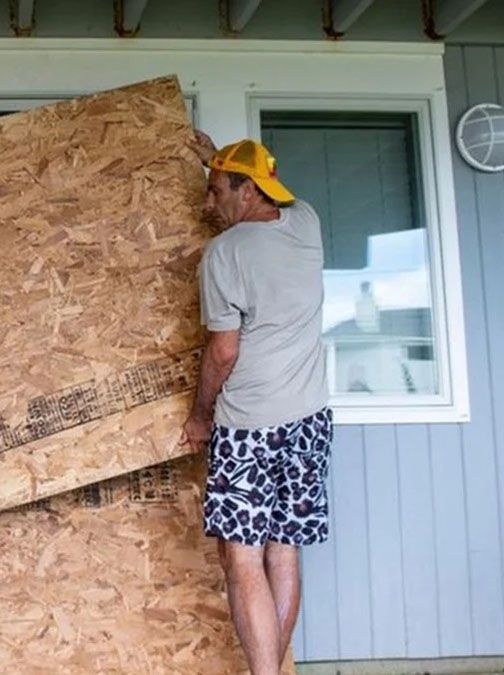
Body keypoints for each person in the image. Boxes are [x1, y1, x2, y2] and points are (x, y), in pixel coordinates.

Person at [182, 131, 332, 675]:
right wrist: (214, 159)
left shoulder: (223, 254)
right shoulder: (308, 223)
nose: (207, 204)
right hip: (310, 418)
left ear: (245, 192)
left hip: (248, 425)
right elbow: (269, 191)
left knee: (242, 558)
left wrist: (199, 417)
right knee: (284, 550)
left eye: (215, 191)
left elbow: (222, 353)